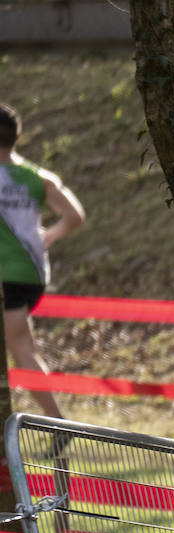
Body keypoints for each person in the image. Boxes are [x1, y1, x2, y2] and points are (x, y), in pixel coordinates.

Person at [0, 102, 84, 418]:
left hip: (5, 276)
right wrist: (48, 236)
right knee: (25, 348)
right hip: (31, 273)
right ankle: (56, 423)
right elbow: (75, 216)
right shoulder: (38, 177)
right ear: (18, 136)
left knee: (22, 351)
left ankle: (58, 424)